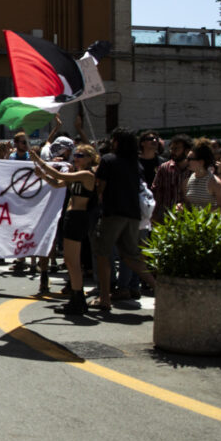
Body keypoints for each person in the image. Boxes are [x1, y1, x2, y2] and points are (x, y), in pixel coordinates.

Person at [91, 128, 157, 311]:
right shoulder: (136, 164)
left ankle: (104, 298)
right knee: (131, 256)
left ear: (117, 142)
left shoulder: (108, 160)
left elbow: (100, 187)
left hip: (112, 214)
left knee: (103, 254)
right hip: (133, 216)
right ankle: (158, 287)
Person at [32, 145, 98, 314]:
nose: (76, 158)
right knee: (70, 260)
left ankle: (78, 299)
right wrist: (43, 176)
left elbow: (59, 175)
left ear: (90, 158)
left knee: (73, 261)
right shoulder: (77, 174)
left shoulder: (87, 175)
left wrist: (39, 161)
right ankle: (76, 297)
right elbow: (57, 183)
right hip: (71, 217)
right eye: (75, 155)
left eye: (81, 155)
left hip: (78, 218)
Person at [151, 134, 191, 224]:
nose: (172, 152)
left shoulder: (194, 169)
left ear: (187, 150)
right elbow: (156, 191)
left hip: (189, 219)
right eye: (171, 149)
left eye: (176, 149)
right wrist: (154, 214)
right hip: (166, 218)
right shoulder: (164, 168)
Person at [181, 139, 221, 214]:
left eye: (190, 159)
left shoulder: (214, 182)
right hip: (192, 224)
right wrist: (181, 207)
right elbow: (187, 204)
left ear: (201, 162)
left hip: (210, 224)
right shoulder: (186, 181)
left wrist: (201, 211)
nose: (186, 161)